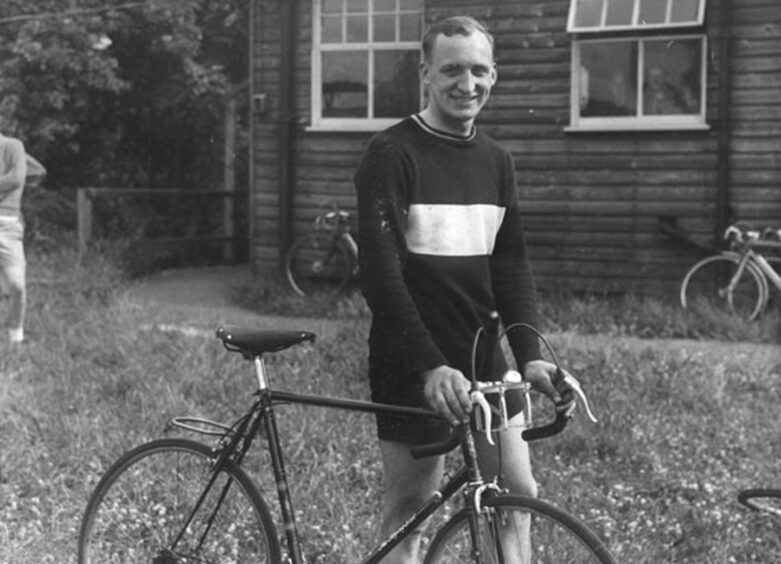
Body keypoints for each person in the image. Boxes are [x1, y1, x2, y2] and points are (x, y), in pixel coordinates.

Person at [355, 16, 572, 563]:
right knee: (412, 502)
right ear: (425, 73)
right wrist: (430, 367)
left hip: (485, 357)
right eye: (452, 69)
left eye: (479, 70)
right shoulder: (391, 153)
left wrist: (529, 357)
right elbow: (381, 276)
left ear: (494, 75)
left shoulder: (497, 160)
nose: (466, 83)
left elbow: (511, 266)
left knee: (518, 493)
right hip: (412, 360)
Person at [0, 133, 32, 344]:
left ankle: (16, 335)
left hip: (8, 225)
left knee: (17, 285)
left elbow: (16, 178)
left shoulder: (13, 146)